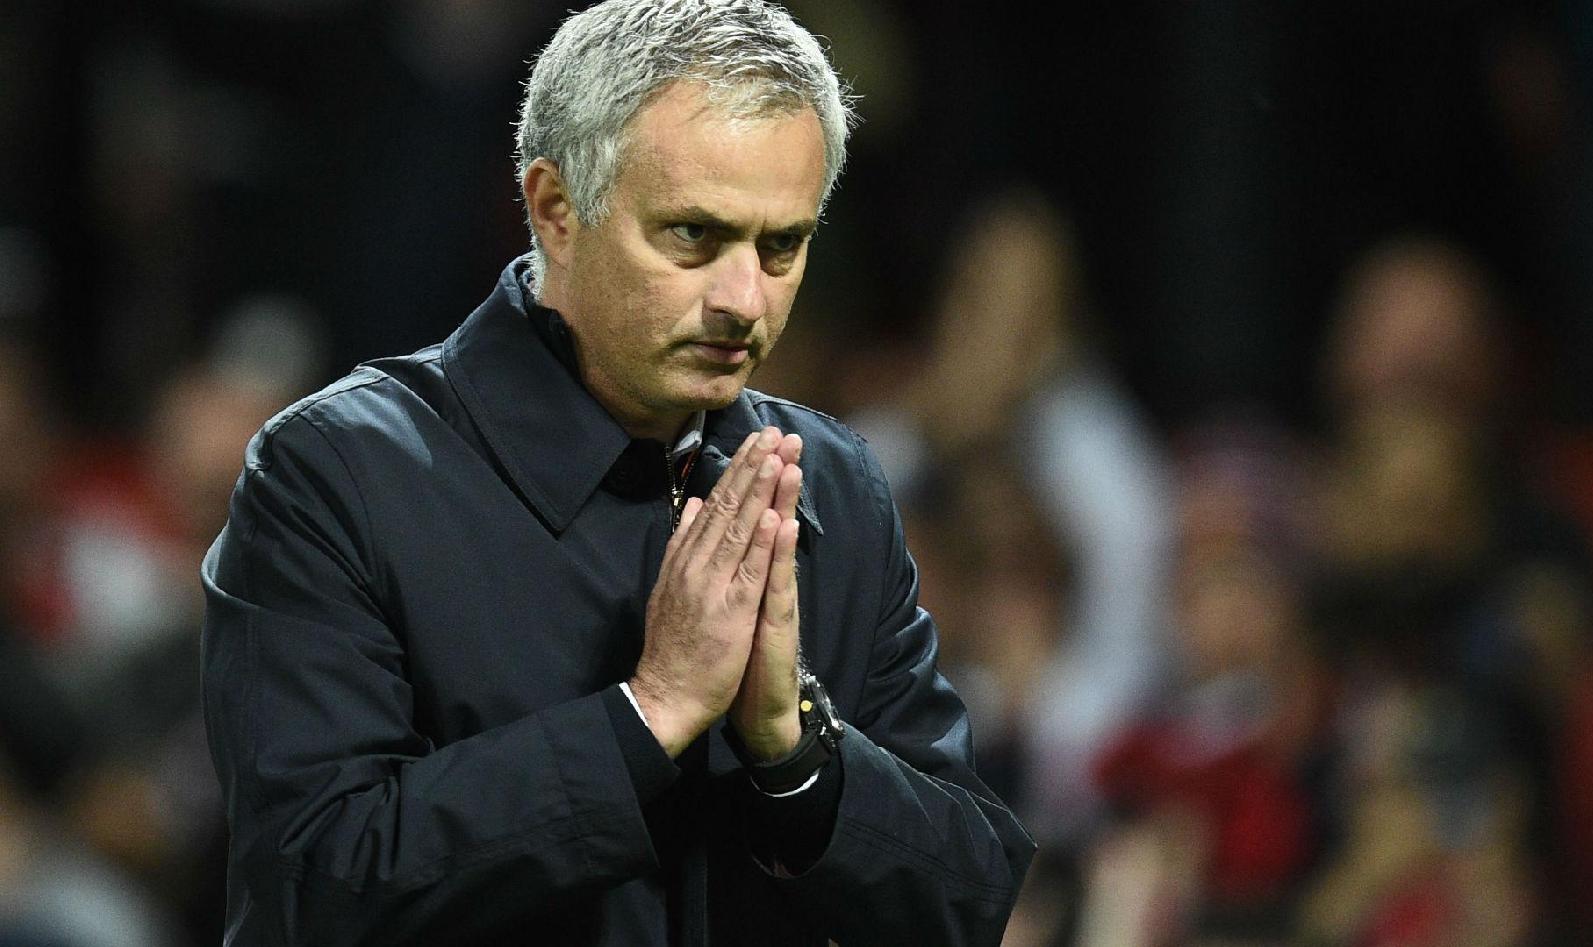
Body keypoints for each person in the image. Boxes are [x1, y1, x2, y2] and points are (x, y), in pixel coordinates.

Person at [198, 1, 1034, 944]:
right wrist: (649, 715)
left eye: (780, 246)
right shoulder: (336, 474)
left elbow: (967, 896)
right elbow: (312, 887)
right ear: (556, 209)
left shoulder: (833, 484)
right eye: (693, 235)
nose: (743, 299)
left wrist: (796, 748)